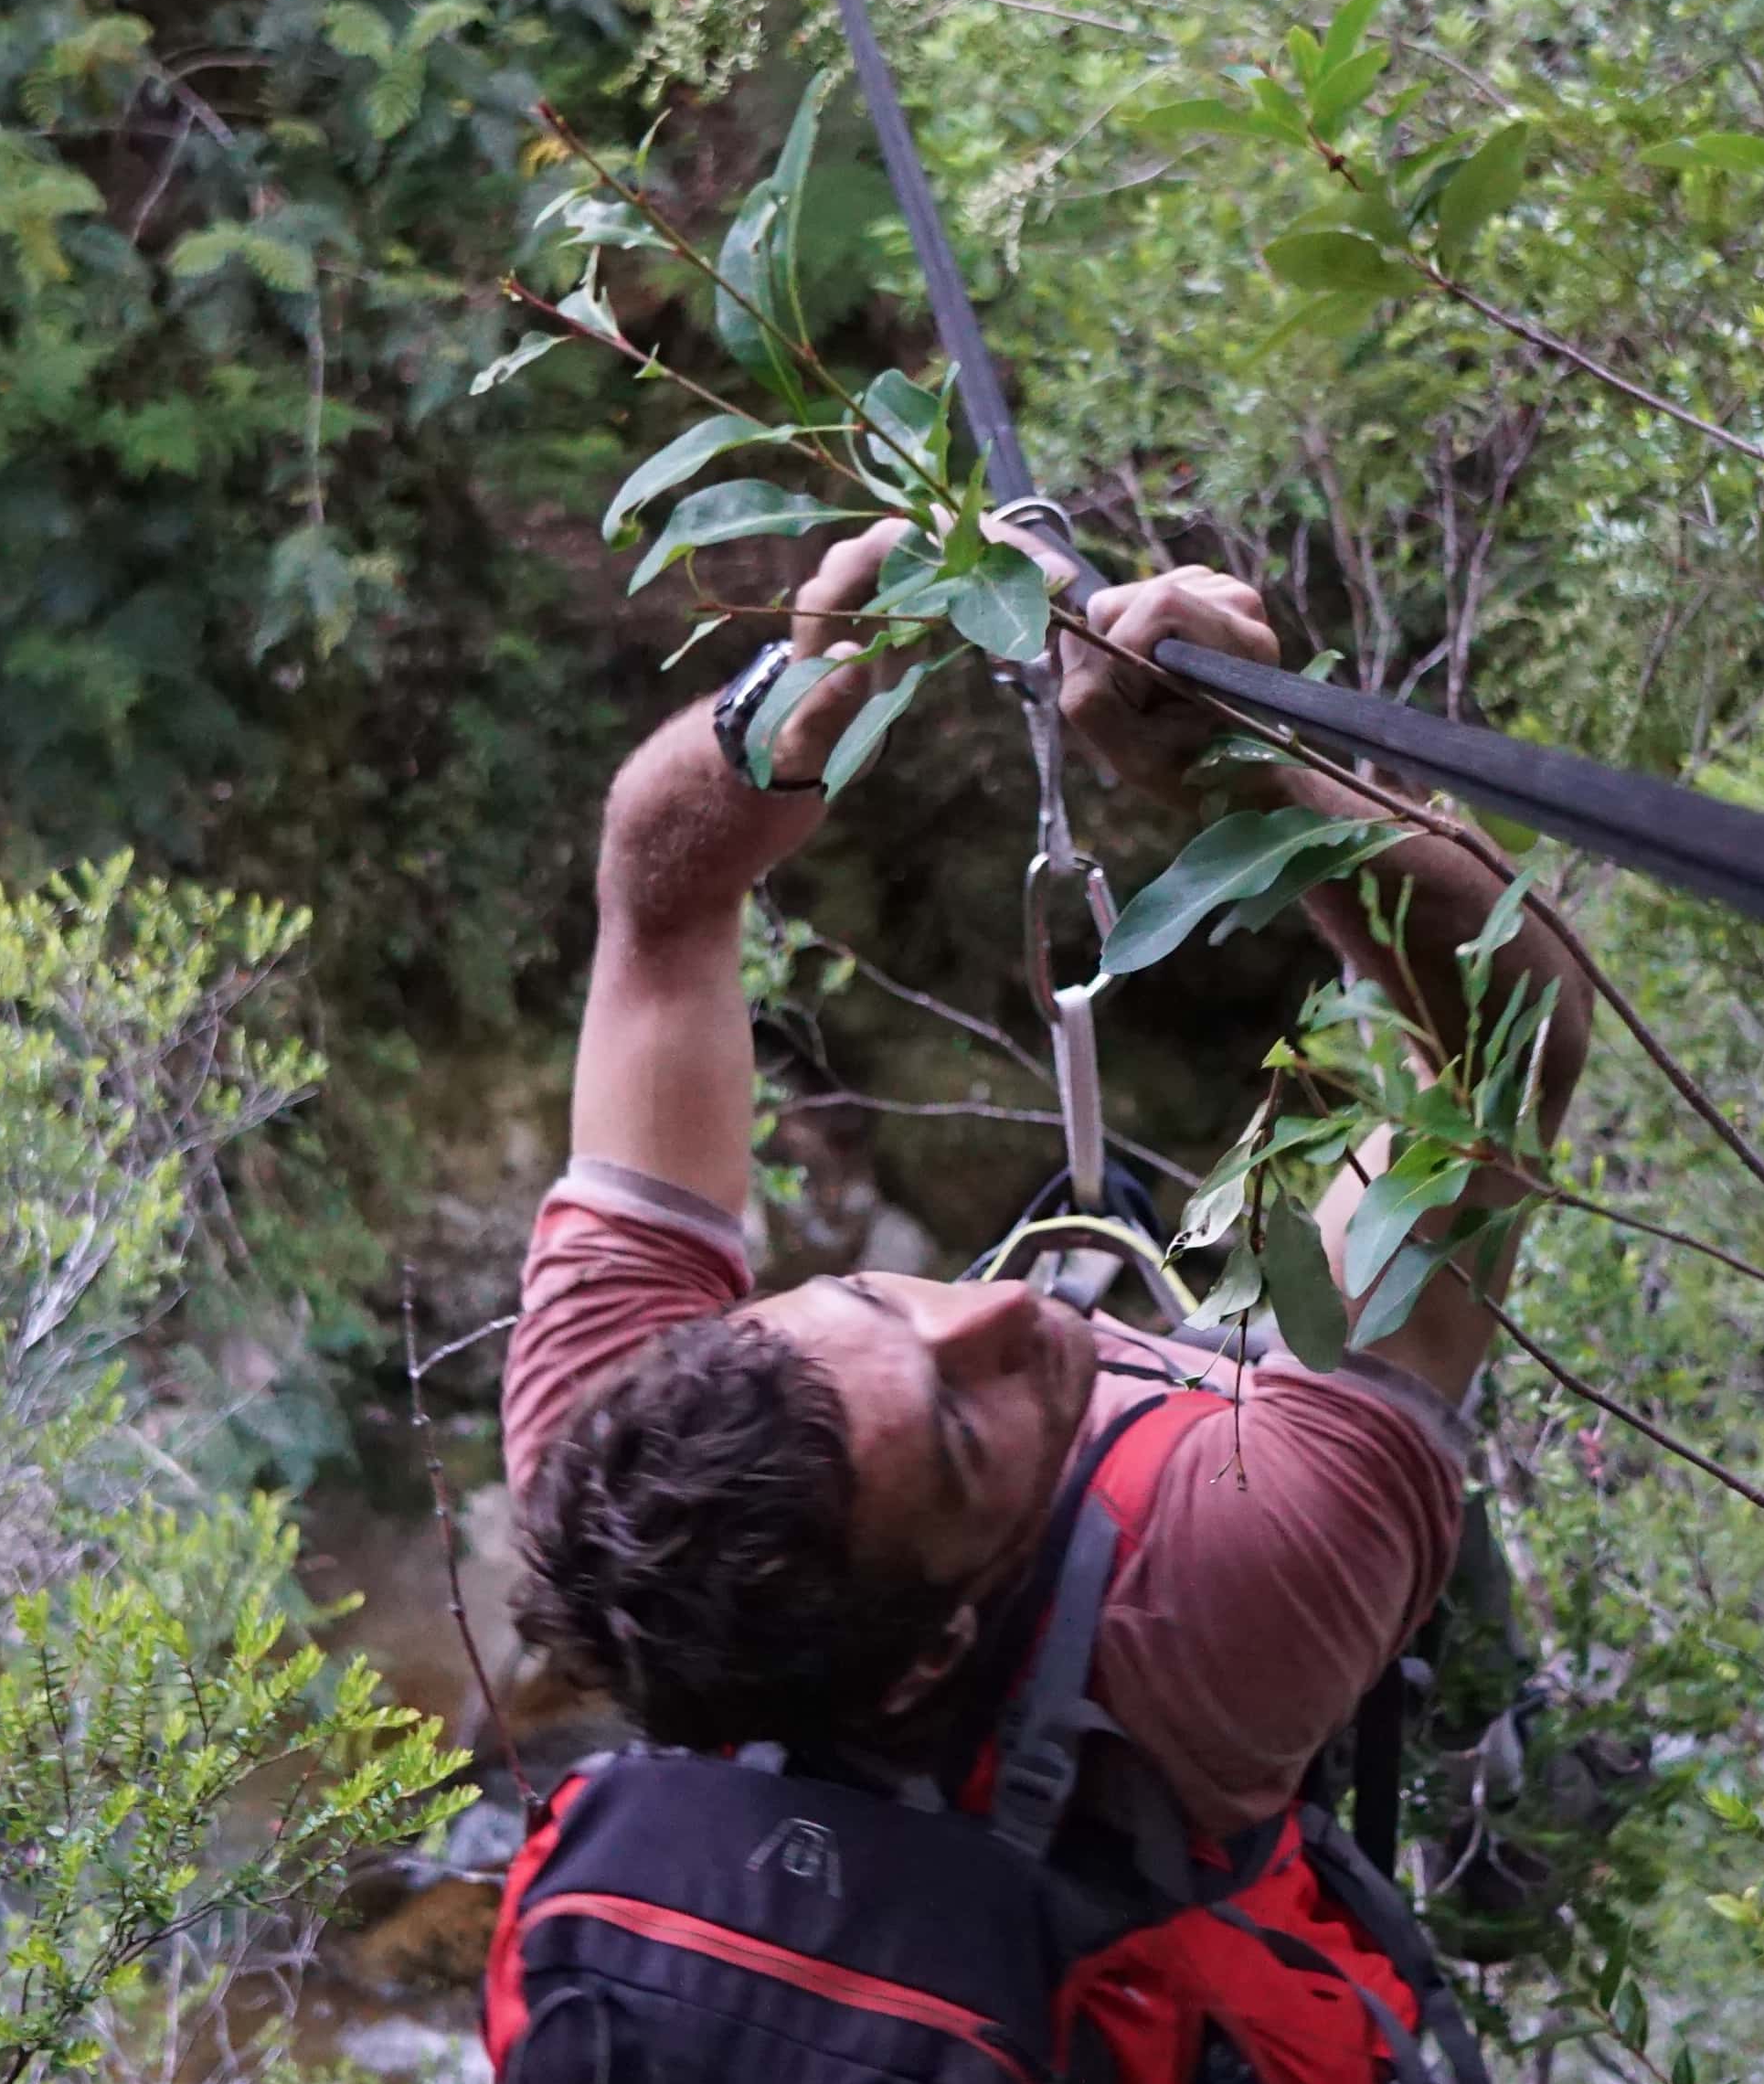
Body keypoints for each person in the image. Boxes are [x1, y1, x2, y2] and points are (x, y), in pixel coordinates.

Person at [503, 520, 1589, 1848]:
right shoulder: (1221, 1600)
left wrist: (792, 703)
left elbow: (659, 902)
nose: (1011, 1312)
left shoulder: (616, 1453)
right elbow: (1501, 1050)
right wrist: (1250, 783)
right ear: (938, 1644)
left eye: (877, 1299)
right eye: (962, 1436)